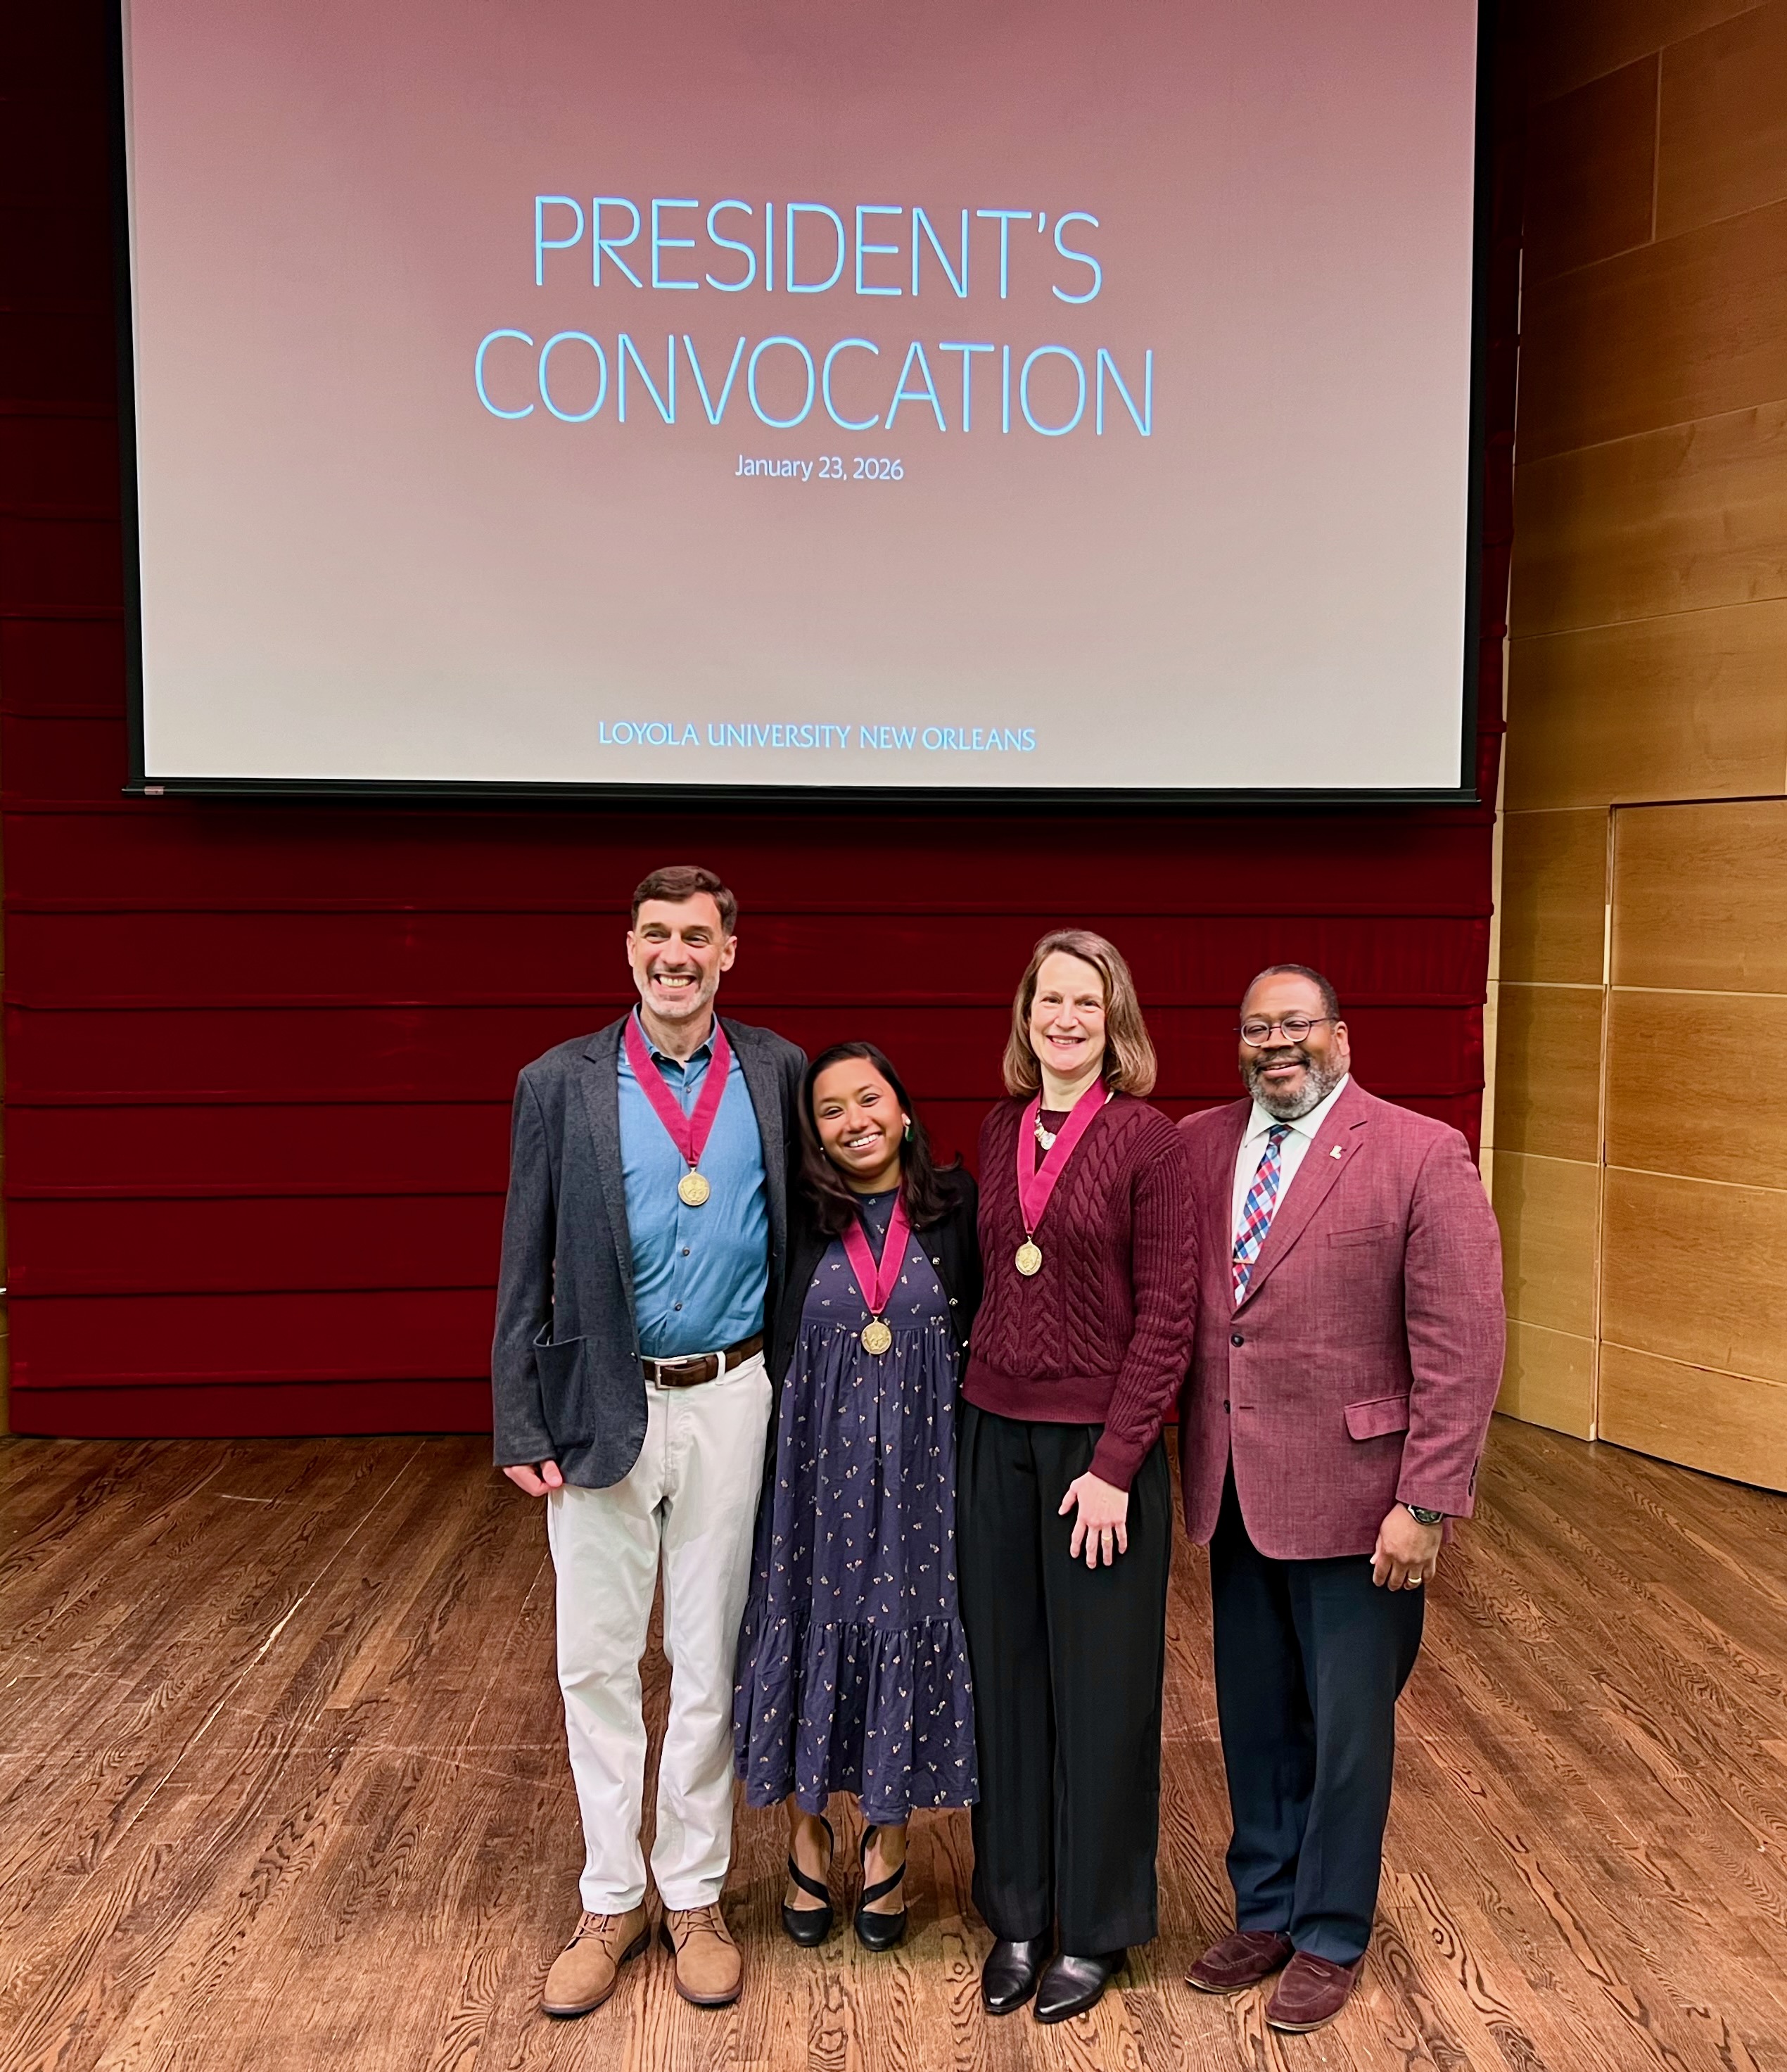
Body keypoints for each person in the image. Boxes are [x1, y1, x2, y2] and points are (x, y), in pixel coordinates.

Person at [491, 864, 804, 2018]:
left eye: (699, 935)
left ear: (730, 952)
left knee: (710, 1652)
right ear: (629, 948)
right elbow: (524, 1253)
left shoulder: (776, 1070)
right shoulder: (558, 1081)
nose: (678, 954)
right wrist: (518, 1412)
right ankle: (610, 1894)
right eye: (658, 934)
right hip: (599, 1399)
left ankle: (696, 1892)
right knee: (595, 1657)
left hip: (733, 1392)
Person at [1178, 964, 1503, 2033]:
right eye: (1256, 1028)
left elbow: (1464, 1342)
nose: (1277, 1043)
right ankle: (1266, 1911)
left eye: (1297, 1024)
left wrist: (1428, 1501)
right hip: (1236, 1487)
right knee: (1255, 1716)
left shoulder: (1420, 1152)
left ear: (1342, 1037)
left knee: (1348, 1729)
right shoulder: (1196, 1146)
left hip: (1365, 1502)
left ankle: (1328, 1932)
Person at [958, 929, 1197, 2024]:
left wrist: (1115, 1463)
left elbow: (1169, 1317)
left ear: (1115, 1024)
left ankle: (1094, 1928)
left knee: (1102, 1694)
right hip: (994, 1439)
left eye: (1086, 1004)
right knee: (1006, 1684)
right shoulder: (997, 1126)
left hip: (1100, 1460)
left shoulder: (1151, 1142)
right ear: (1026, 1016)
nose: (1064, 1019)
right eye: (1048, 1000)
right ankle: (1017, 1911)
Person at [734, 1042, 982, 1952]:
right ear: (814, 1133)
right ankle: (806, 1828)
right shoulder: (795, 1218)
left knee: (901, 1624)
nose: (854, 1121)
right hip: (812, 1477)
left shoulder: (957, 1207)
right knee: (808, 1621)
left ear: (904, 1110)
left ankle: (889, 1835)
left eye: (868, 1099)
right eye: (830, 1110)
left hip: (923, 1476)